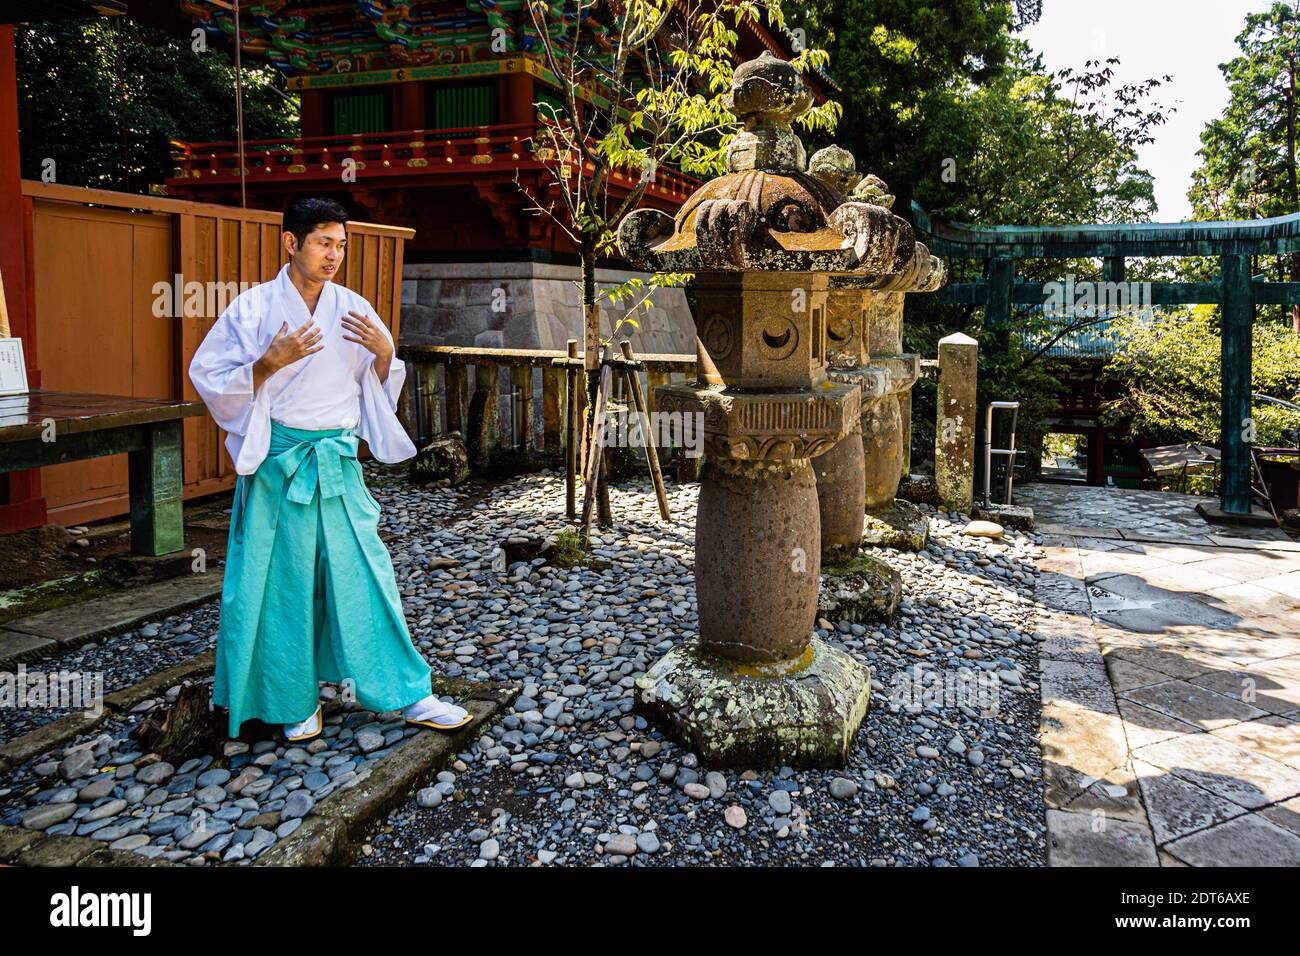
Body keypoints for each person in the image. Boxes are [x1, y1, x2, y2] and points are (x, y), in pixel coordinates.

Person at [189, 196, 470, 742]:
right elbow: (209, 376)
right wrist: (268, 363)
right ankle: (290, 698)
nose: (334, 254)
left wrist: (386, 354)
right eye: (323, 242)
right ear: (291, 243)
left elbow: (375, 387)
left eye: (341, 244)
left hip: (336, 460)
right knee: (281, 583)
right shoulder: (251, 308)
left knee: (366, 572)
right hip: (279, 463)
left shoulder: (352, 307)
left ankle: (408, 692)